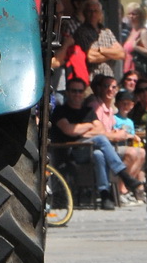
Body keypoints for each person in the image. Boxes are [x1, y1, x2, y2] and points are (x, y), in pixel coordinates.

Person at [50, 76, 138, 208]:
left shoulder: (88, 111)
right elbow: (69, 130)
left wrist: (80, 129)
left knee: (99, 154)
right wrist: (89, 126)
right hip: (70, 151)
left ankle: (104, 195)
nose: (77, 94)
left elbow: (101, 129)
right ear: (67, 92)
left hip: (89, 149)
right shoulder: (60, 110)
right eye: (74, 91)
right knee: (101, 140)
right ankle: (123, 175)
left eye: (80, 91)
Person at [73, 0, 124, 82]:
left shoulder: (107, 32)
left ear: (100, 14)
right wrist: (112, 53)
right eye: (90, 11)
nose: (93, 14)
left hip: (110, 78)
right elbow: (91, 57)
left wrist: (101, 50)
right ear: (84, 13)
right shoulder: (81, 32)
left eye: (96, 11)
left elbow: (121, 54)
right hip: (92, 79)